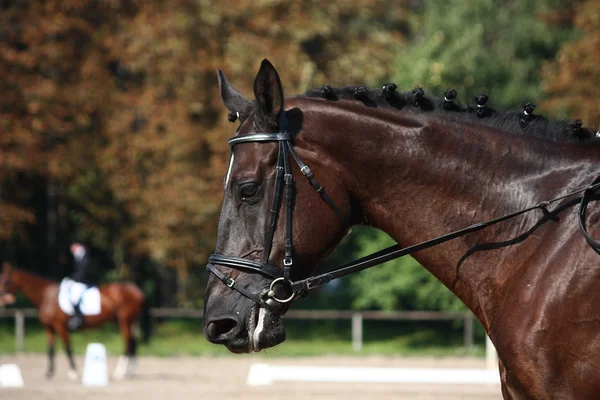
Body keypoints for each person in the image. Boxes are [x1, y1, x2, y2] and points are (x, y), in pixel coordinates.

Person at [67, 242, 95, 331]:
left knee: (74, 298)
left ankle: (78, 318)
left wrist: (74, 280)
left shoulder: (84, 256)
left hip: (84, 282)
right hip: (79, 280)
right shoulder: (78, 256)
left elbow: (83, 272)